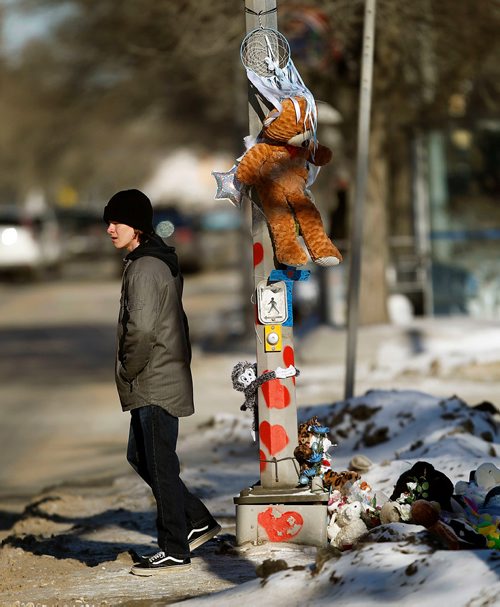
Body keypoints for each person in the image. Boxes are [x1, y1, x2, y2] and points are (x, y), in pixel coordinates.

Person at [103, 189, 220, 576]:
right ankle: (198, 520)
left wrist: (128, 369)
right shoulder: (147, 261)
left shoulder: (145, 268)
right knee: (143, 457)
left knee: (159, 463)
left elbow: (141, 330)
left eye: (116, 221)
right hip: (159, 375)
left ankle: (174, 546)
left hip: (154, 377)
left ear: (135, 225)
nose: (109, 229)